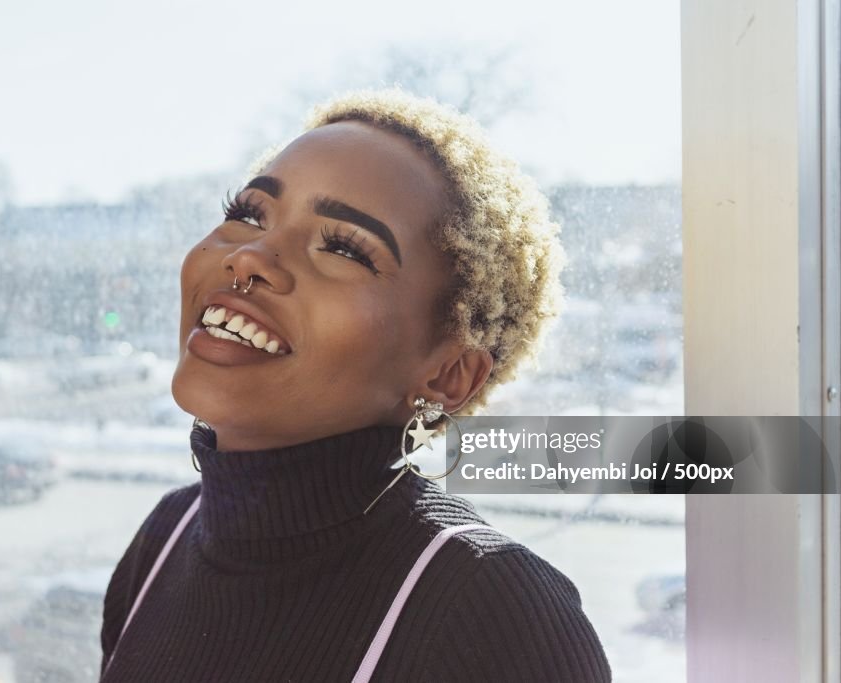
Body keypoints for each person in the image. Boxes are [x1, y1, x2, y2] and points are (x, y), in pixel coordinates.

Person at [99, 89, 611, 682]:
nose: (249, 257)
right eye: (248, 213)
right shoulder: (166, 537)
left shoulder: (493, 608)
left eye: (342, 247)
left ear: (448, 374)